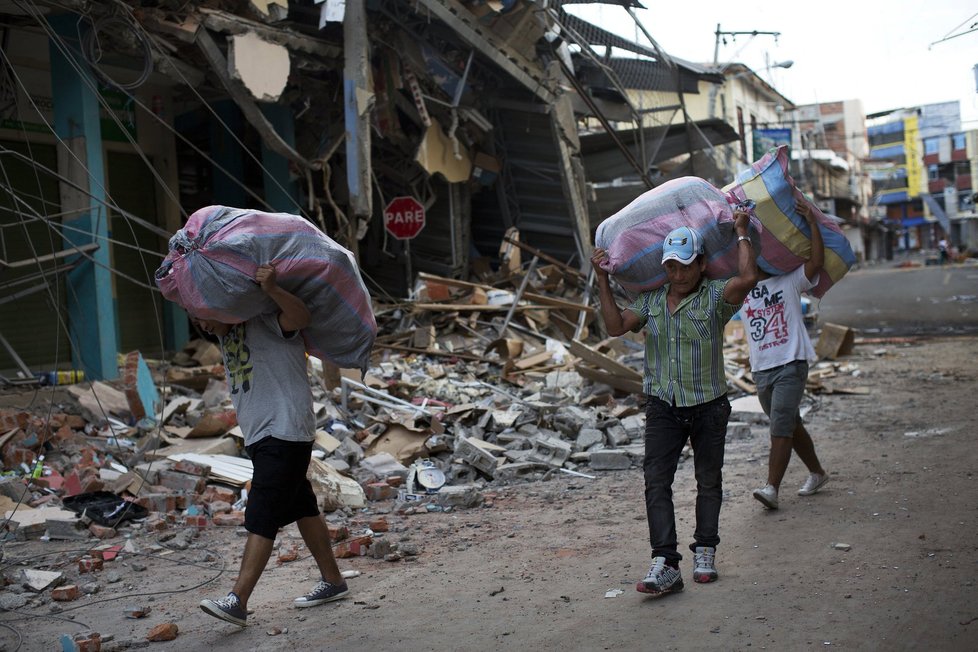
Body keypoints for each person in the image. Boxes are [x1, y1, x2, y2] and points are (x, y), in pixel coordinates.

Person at [591, 210, 758, 597]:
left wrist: (742, 232)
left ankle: (705, 550)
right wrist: (602, 276)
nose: (678, 275)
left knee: (708, 481)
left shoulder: (717, 297)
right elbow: (615, 327)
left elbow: (748, 278)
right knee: (655, 482)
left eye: (684, 267)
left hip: (709, 405)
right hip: (663, 405)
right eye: (671, 267)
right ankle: (665, 561)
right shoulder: (650, 302)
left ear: (701, 264)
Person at [196, 264, 349, 626]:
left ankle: (238, 600)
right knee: (302, 505)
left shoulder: (265, 320)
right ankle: (333, 580)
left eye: (206, 314)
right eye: (195, 316)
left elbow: (301, 315)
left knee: (262, 512)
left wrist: (273, 288)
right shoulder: (225, 335)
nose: (202, 323)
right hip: (262, 435)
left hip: (285, 429)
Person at [744, 202, 829, 510]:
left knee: (780, 424)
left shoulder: (789, 281)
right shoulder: (741, 289)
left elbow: (816, 262)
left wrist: (812, 222)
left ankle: (771, 488)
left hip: (791, 364)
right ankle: (817, 473)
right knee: (790, 423)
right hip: (761, 370)